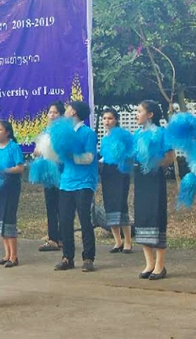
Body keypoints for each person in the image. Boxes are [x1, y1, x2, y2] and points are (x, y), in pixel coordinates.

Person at [54, 100, 98, 273]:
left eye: (67, 109)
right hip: (66, 182)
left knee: (84, 219)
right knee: (65, 220)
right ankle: (67, 257)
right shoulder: (65, 133)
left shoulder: (87, 133)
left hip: (84, 182)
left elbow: (89, 158)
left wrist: (70, 155)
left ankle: (88, 258)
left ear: (74, 112)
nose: (65, 112)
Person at [133, 100, 175, 279]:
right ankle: (149, 263)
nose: (136, 114)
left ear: (150, 115)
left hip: (155, 179)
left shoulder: (162, 133)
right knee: (142, 218)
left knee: (156, 217)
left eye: (140, 111)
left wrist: (154, 164)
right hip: (140, 179)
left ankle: (160, 265)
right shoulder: (136, 134)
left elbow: (170, 157)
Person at [99, 108, 133, 254]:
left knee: (121, 205)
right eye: (105, 118)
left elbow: (132, 152)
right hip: (107, 172)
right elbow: (103, 155)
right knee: (110, 205)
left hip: (121, 172)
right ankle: (117, 241)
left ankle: (128, 241)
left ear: (116, 120)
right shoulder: (104, 139)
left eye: (110, 118)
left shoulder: (124, 135)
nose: (107, 121)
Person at [0, 120, 24, 268]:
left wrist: (5, 171)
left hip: (10, 186)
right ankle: (6, 254)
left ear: (7, 132)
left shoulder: (14, 147)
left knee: (9, 218)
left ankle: (14, 256)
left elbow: (20, 168)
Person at [37, 101, 66, 253]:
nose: (52, 115)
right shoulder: (46, 131)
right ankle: (53, 238)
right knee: (51, 206)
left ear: (61, 115)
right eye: (50, 112)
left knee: (63, 207)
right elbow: (39, 150)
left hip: (62, 172)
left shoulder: (64, 131)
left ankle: (63, 237)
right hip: (48, 173)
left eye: (55, 112)